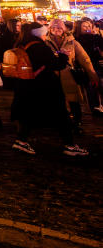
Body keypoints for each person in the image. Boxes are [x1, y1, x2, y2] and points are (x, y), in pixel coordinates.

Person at [10, 22, 86, 157]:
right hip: (46, 87)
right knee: (62, 116)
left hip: (27, 86)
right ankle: (69, 145)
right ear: (39, 34)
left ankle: (21, 141)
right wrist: (63, 56)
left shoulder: (22, 44)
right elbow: (56, 65)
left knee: (29, 114)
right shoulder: (40, 47)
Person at [45, 18, 98, 133]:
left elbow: (85, 59)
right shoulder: (44, 42)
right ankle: (61, 123)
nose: (56, 30)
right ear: (50, 28)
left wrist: (92, 74)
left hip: (69, 76)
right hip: (52, 77)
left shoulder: (72, 42)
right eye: (53, 27)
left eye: (59, 27)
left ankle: (77, 122)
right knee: (57, 102)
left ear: (63, 29)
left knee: (74, 101)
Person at [73, 18, 103, 114]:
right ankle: (95, 108)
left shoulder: (96, 37)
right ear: (79, 27)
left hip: (97, 65)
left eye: (89, 26)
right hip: (85, 67)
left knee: (100, 86)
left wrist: (97, 36)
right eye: (84, 26)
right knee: (91, 88)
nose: (87, 28)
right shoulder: (75, 39)